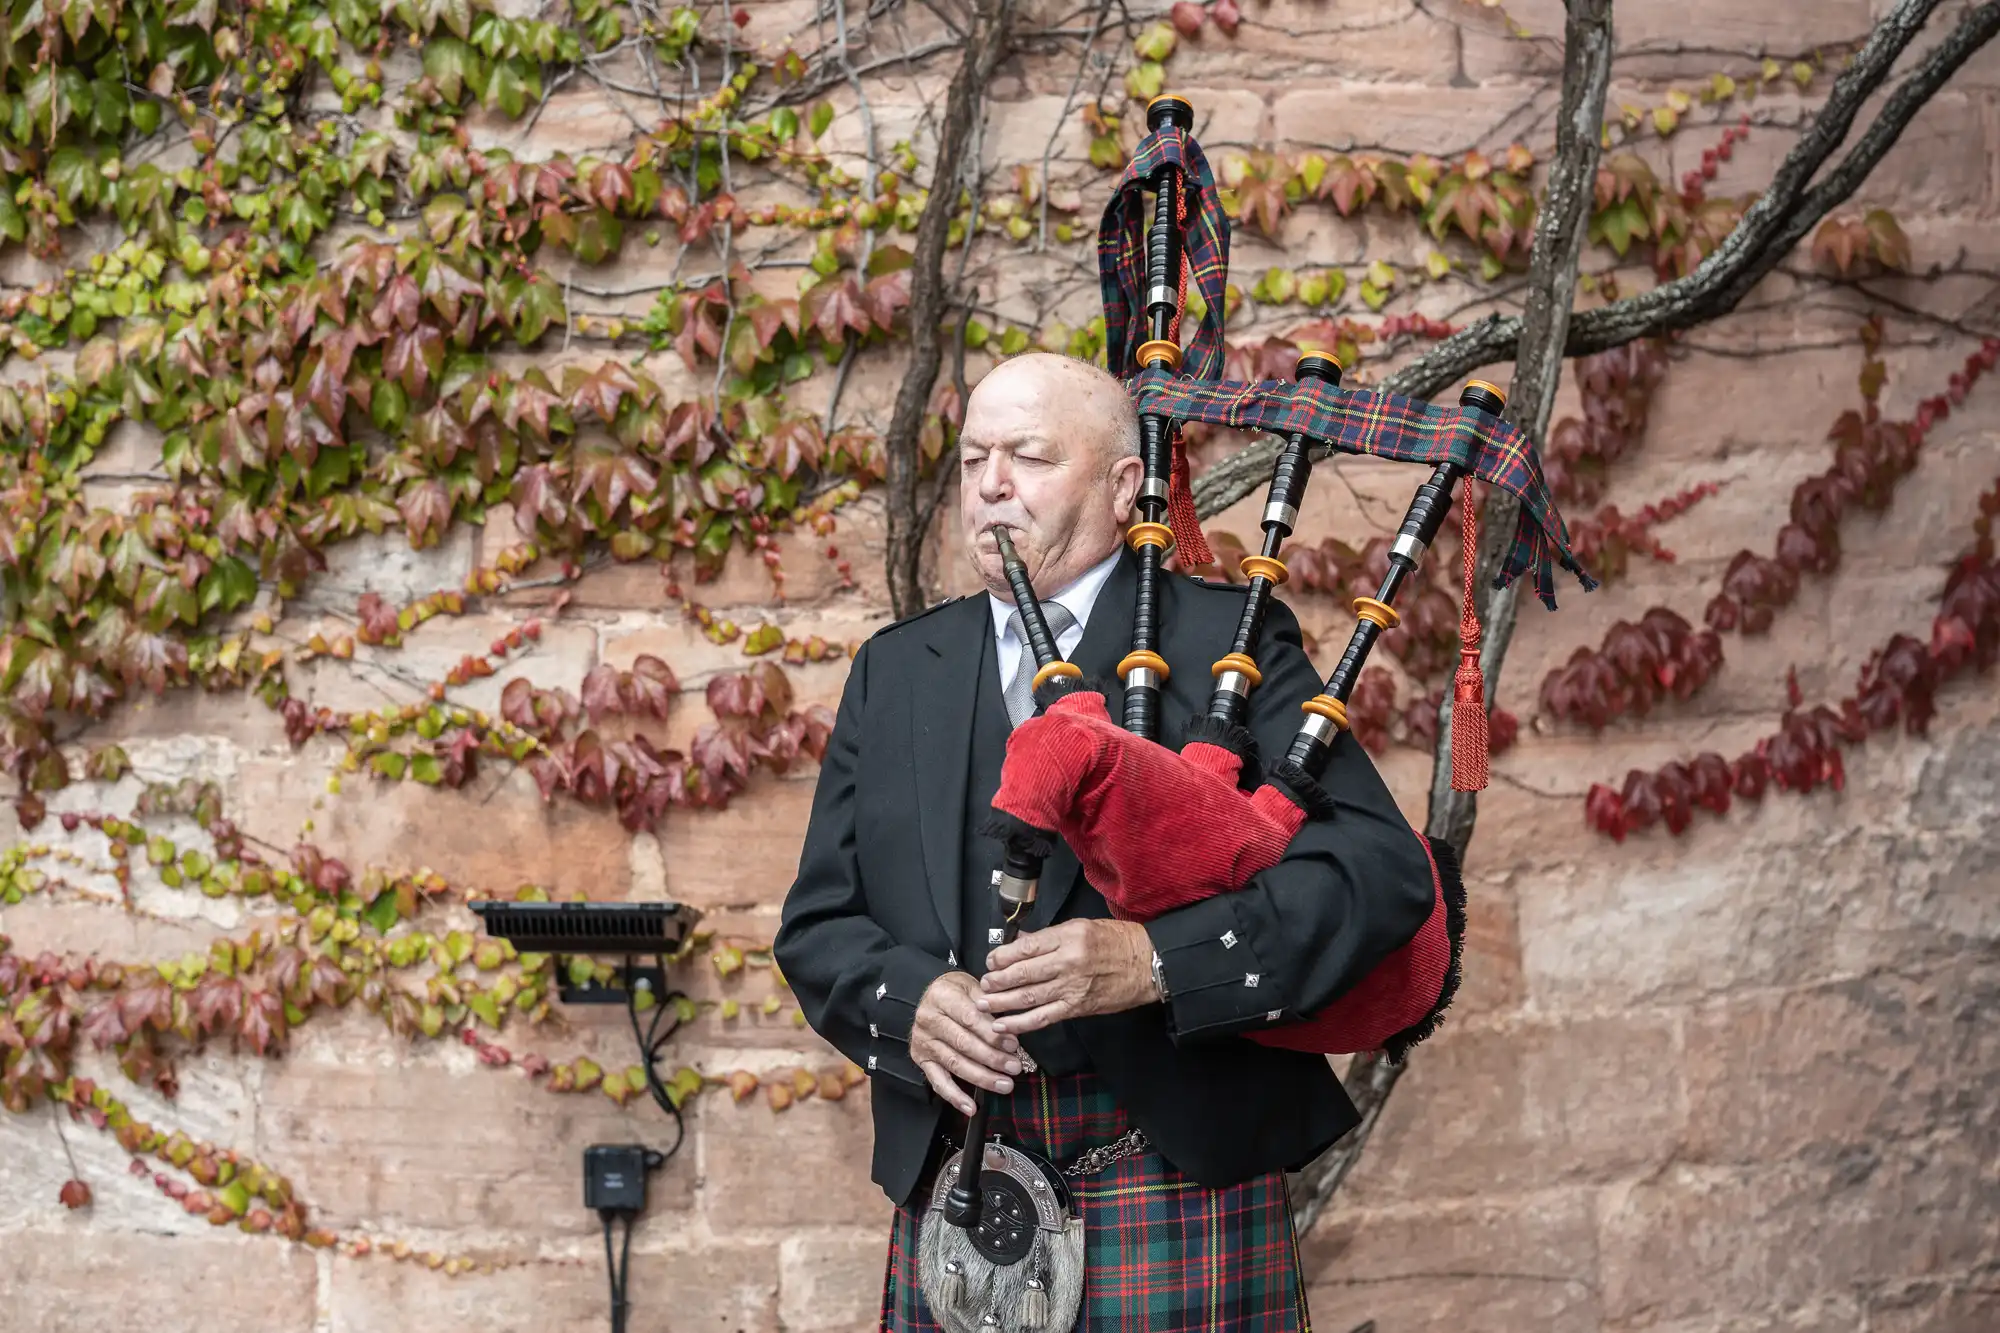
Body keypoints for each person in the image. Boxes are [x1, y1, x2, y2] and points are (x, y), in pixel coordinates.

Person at [774, 352, 1435, 1330]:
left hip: (1164, 1167)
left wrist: (1157, 961)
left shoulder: (1227, 647)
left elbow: (1374, 878)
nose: (991, 483)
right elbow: (819, 924)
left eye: (1029, 456)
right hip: (960, 1175)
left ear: (1122, 486)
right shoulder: (897, 668)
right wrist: (907, 1003)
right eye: (971, 459)